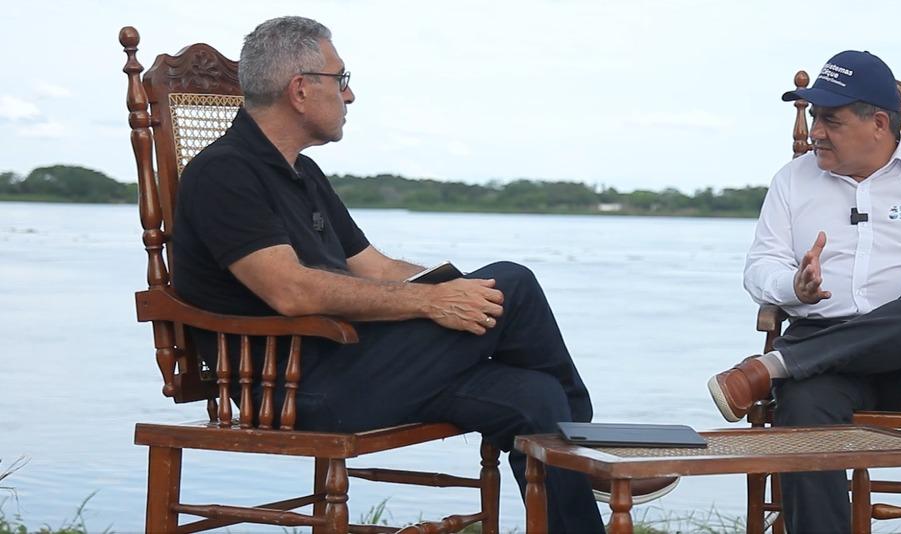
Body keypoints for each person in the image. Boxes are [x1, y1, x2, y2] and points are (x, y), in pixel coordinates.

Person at [169, 16, 671, 531]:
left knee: (532, 396)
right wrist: (432, 304)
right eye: (341, 80)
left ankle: (575, 462)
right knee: (513, 283)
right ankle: (588, 449)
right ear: (300, 89)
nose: (351, 95)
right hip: (294, 388)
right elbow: (290, 290)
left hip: (351, 364)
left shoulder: (303, 173)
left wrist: (456, 287)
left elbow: (378, 267)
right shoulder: (223, 173)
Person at [706, 50, 901, 533]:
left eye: (831, 120)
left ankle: (774, 367)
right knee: (801, 408)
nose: (817, 131)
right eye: (815, 118)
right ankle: (789, 369)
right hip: (829, 364)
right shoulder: (792, 180)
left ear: (879, 124)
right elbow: (760, 268)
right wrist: (794, 287)